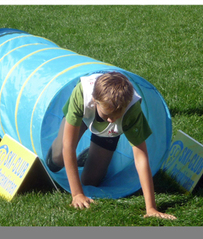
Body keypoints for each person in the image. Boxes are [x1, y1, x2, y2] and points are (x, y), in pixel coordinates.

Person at [45, 71, 176, 220]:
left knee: (90, 181)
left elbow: (140, 158)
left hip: (109, 132)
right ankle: (58, 158)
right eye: (106, 115)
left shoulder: (131, 110)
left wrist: (151, 208)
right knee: (57, 158)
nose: (111, 120)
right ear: (95, 100)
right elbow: (68, 145)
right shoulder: (82, 94)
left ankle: (90, 154)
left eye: (116, 116)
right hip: (84, 113)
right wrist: (77, 194)